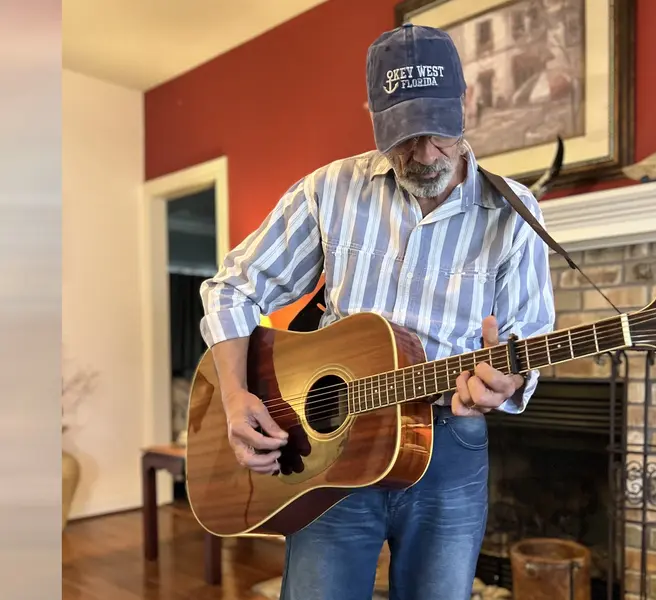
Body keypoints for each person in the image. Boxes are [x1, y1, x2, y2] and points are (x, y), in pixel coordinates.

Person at [198, 24, 555, 600]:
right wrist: (237, 395)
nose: (423, 155)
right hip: (329, 452)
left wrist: (504, 379)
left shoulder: (513, 211)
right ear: (372, 114)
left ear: (466, 102)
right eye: (402, 136)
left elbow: (526, 339)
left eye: (437, 131)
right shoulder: (329, 190)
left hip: (449, 447)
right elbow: (231, 289)